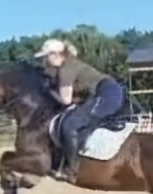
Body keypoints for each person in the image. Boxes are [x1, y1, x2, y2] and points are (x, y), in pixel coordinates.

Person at [34, 38, 126, 183]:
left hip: (106, 94)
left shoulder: (66, 69)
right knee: (75, 120)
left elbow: (66, 100)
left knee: (69, 125)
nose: (44, 61)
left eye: (45, 57)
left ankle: (71, 170)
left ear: (55, 55)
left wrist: (49, 92)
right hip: (108, 92)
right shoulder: (69, 65)